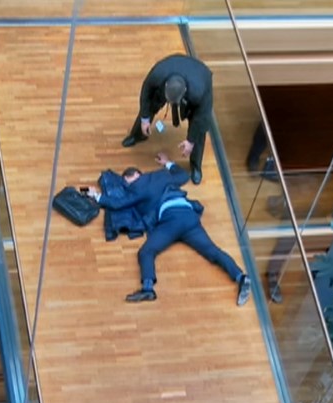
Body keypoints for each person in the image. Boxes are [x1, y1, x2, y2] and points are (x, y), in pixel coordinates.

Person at [86, 152, 252, 305]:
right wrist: (168, 163)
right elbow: (183, 175)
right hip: (189, 216)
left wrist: (96, 195)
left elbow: (118, 203)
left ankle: (148, 289)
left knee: (146, 252)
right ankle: (241, 277)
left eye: (128, 183)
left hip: (171, 220)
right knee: (212, 250)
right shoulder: (162, 175)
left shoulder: (139, 185)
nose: (129, 187)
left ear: (135, 177)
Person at [121, 54, 213, 186]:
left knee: (199, 131)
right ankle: (137, 135)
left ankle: (196, 166)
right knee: (148, 108)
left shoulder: (199, 91)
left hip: (200, 79)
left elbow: (201, 118)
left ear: (185, 91)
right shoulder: (157, 75)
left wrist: (190, 141)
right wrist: (145, 119)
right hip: (174, 73)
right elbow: (146, 92)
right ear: (165, 85)